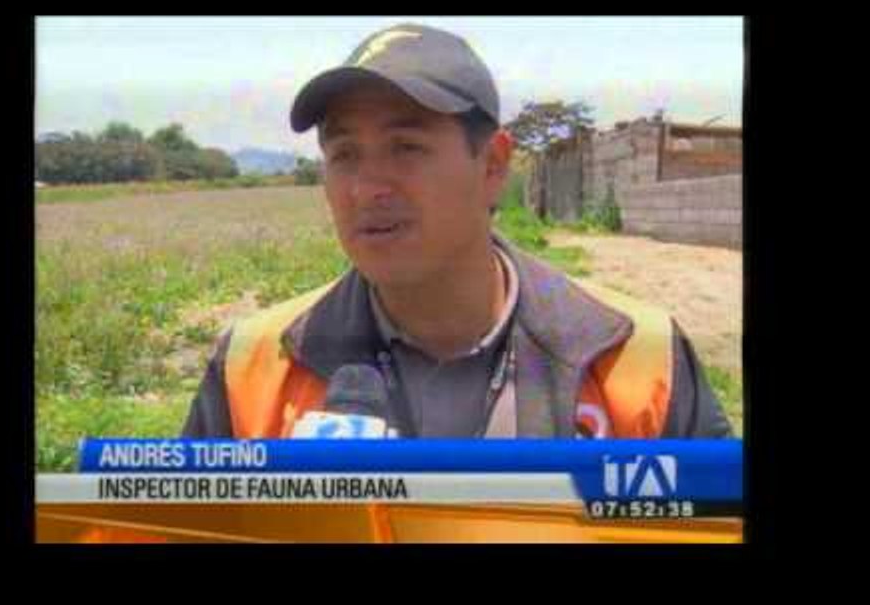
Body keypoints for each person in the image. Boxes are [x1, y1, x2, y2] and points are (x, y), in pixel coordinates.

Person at [182, 23, 732, 439]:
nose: (366, 188)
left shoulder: (636, 357)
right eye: (344, 154)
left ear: (492, 166)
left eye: (406, 148)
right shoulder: (252, 368)